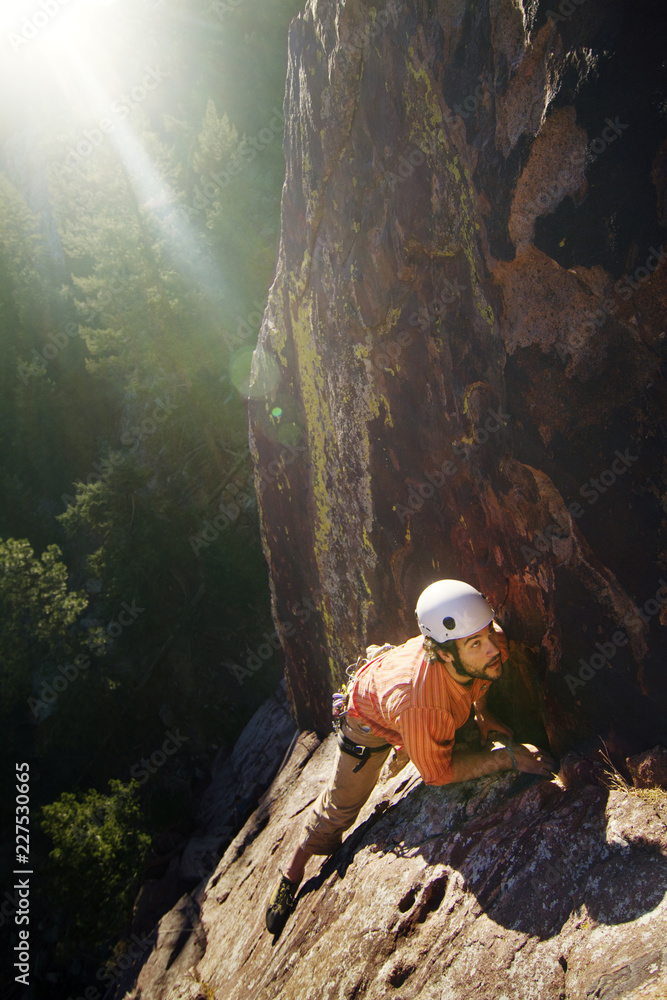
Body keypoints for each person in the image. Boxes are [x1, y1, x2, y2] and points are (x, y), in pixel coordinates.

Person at [265, 579, 555, 933]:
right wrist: (507, 758)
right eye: (476, 643)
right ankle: (292, 871)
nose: (492, 648)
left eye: (487, 634)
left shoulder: (485, 642)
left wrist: (482, 712)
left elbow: (482, 675)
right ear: (445, 653)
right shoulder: (423, 705)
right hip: (367, 723)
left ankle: (411, 744)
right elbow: (438, 774)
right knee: (340, 807)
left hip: (408, 697)